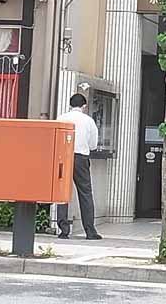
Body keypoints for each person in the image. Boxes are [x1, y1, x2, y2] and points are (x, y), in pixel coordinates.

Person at [56, 93, 102, 240]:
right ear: (84, 106)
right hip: (81, 158)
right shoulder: (88, 121)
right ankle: (90, 231)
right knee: (85, 193)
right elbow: (93, 145)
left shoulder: (61, 118)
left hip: (62, 156)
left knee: (62, 192)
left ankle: (63, 230)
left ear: (70, 104)